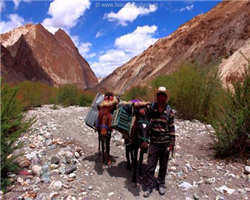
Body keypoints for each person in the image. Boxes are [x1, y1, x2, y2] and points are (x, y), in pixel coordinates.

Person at [142, 86, 175, 198]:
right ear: (157, 97)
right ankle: (149, 186)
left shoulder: (169, 111)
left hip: (165, 143)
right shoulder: (152, 108)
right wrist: (142, 112)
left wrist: (172, 144)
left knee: (163, 166)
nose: (161, 97)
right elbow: (144, 115)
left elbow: (172, 128)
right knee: (150, 165)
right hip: (154, 142)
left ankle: (161, 184)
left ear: (165, 98)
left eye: (163, 96)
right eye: (159, 95)